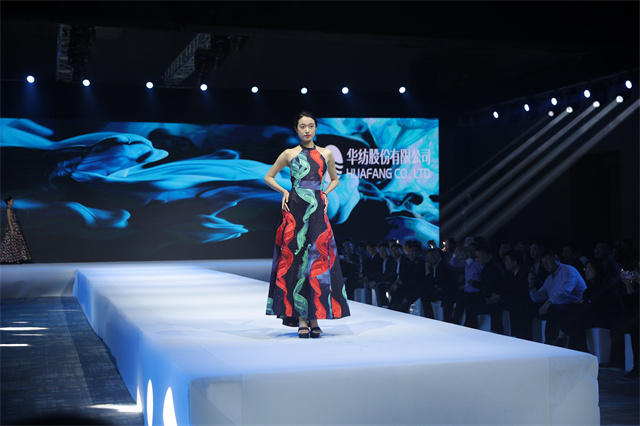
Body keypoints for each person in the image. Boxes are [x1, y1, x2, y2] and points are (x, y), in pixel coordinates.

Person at [264, 111, 350, 338]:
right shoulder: (289, 153)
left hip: (317, 211)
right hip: (295, 209)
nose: (307, 130)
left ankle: (314, 318)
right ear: (296, 129)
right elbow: (268, 176)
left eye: (311, 125)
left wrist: (325, 194)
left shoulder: (326, 153)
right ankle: (302, 318)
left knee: (316, 263)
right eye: (302, 126)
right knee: (297, 263)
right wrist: (284, 191)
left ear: (316, 128)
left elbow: (335, 179)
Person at [528, 251, 587, 351]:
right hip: (559, 305)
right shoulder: (549, 278)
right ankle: (526, 339)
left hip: (575, 305)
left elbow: (565, 291)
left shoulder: (568, 270)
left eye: (547, 261)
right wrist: (531, 285)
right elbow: (538, 297)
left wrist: (549, 302)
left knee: (552, 309)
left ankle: (550, 343)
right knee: (527, 307)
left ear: (557, 259)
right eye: (543, 263)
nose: (545, 265)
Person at [503, 249, 537, 340]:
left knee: (519, 306)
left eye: (506, 261)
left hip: (527, 304)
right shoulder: (510, 274)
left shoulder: (525, 272)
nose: (505, 263)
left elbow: (522, 293)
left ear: (514, 263)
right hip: (516, 303)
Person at [0, 197, 32, 264]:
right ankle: (7, 258)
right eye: (12, 201)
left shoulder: (11, 209)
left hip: (15, 227)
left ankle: (17, 259)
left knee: (16, 243)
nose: (13, 202)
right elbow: (9, 220)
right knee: (9, 243)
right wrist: (12, 229)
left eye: (13, 201)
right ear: (8, 202)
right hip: (12, 227)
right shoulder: (8, 209)